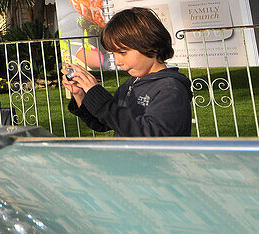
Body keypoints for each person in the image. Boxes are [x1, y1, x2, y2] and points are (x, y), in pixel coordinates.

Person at [62, 7, 192, 137]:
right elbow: (105, 122)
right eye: (113, 54)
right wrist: (81, 96)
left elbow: (149, 134)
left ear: (151, 45)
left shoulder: (170, 89)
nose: (117, 61)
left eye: (123, 52)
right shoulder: (129, 85)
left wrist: (96, 94)